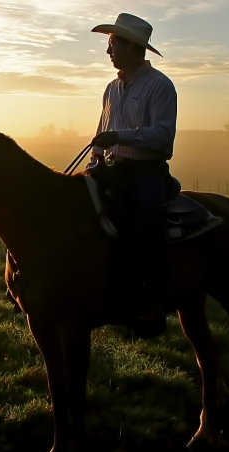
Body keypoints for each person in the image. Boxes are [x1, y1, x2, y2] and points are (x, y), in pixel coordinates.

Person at [89, 13, 176, 331]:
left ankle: (153, 305)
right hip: (112, 168)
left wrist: (120, 138)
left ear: (132, 47)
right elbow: (102, 129)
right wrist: (95, 158)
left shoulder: (160, 86)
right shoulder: (111, 89)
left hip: (145, 171)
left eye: (113, 44)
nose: (108, 51)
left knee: (144, 227)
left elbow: (163, 135)